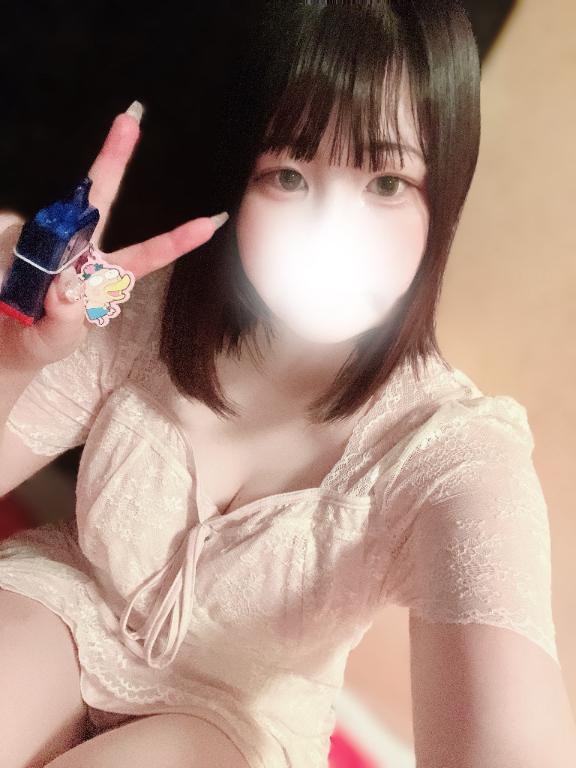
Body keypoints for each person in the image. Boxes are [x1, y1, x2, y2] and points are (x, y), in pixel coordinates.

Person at [0, 2, 572, 767]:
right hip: (70, 601)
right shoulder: (133, 306)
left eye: (388, 182)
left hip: (239, 716)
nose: (332, 231)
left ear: (444, 198)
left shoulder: (450, 450)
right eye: (290, 175)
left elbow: (509, 738)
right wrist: (14, 356)